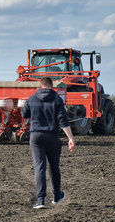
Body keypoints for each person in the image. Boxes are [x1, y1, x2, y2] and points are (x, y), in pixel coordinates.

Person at [21, 77, 76, 209]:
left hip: (35, 136)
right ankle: (57, 196)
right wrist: (71, 139)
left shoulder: (32, 98)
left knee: (39, 166)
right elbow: (63, 121)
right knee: (54, 166)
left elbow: (25, 114)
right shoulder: (57, 99)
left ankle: (40, 200)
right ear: (52, 86)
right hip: (52, 136)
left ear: (40, 86)